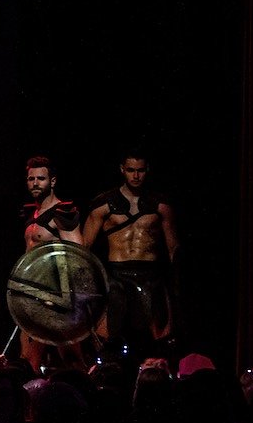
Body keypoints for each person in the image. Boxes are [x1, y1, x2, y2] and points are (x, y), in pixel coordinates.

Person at [82, 150, 180, 362]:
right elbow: (85, 248)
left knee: (160, 340)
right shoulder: (103, 205)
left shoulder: (161, 205)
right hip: (116, 274)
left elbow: (173, 249)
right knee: (107, 338)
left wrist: (175, 284)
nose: (136, 176)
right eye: (131, 170)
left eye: (140, 170)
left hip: (150, 275)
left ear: (147, 170)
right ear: (122, 170)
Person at [19, 155, 87, 372]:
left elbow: (78, 256)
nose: (35, 183)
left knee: (71, 359)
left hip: (58, 296)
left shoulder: (62, 212)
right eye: (31, 179)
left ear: (53, 181)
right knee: (28, 360)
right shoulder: (32, 215)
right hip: (32, 295)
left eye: (41, 178)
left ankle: (87, 392)